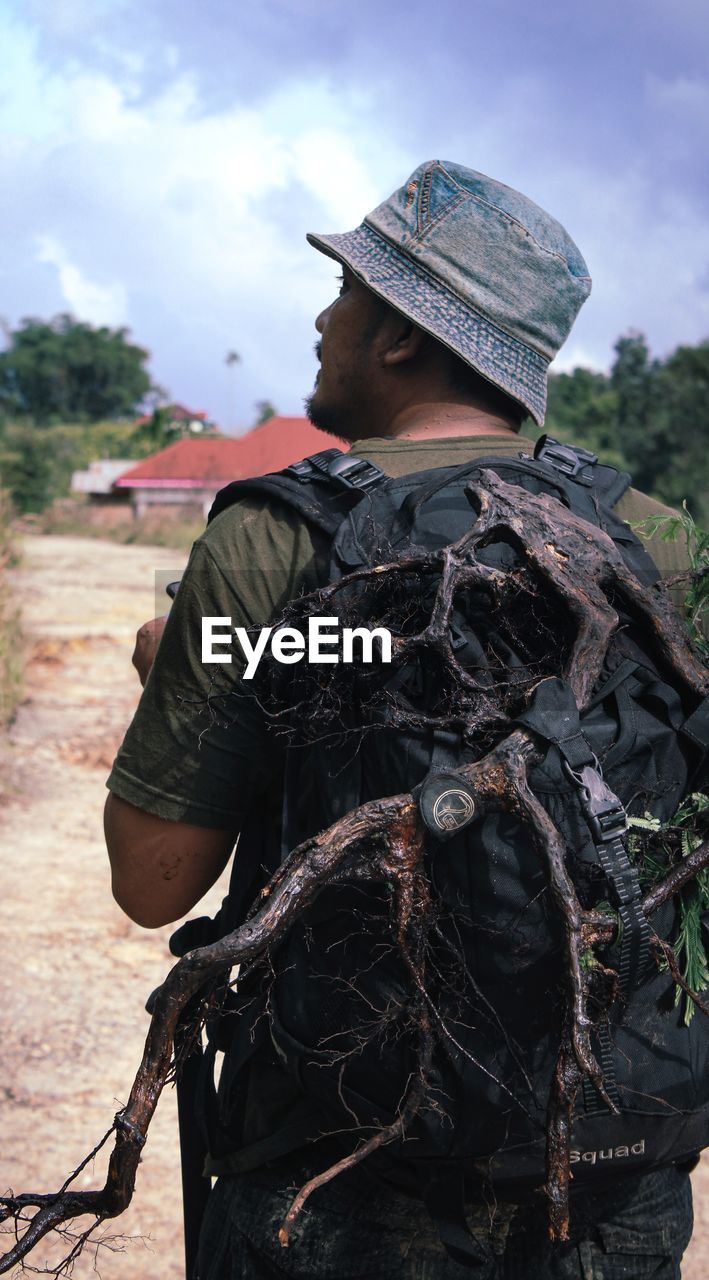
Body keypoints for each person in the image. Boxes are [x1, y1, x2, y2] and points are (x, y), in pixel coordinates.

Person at [104, 161, 694, 1278]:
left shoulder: (277, 536)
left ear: (398, 338)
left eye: (344, 294)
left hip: (339, 1191)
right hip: (610, 1177)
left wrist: (181, 665)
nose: (322, 318)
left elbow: (154, 877)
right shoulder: (656, 541)